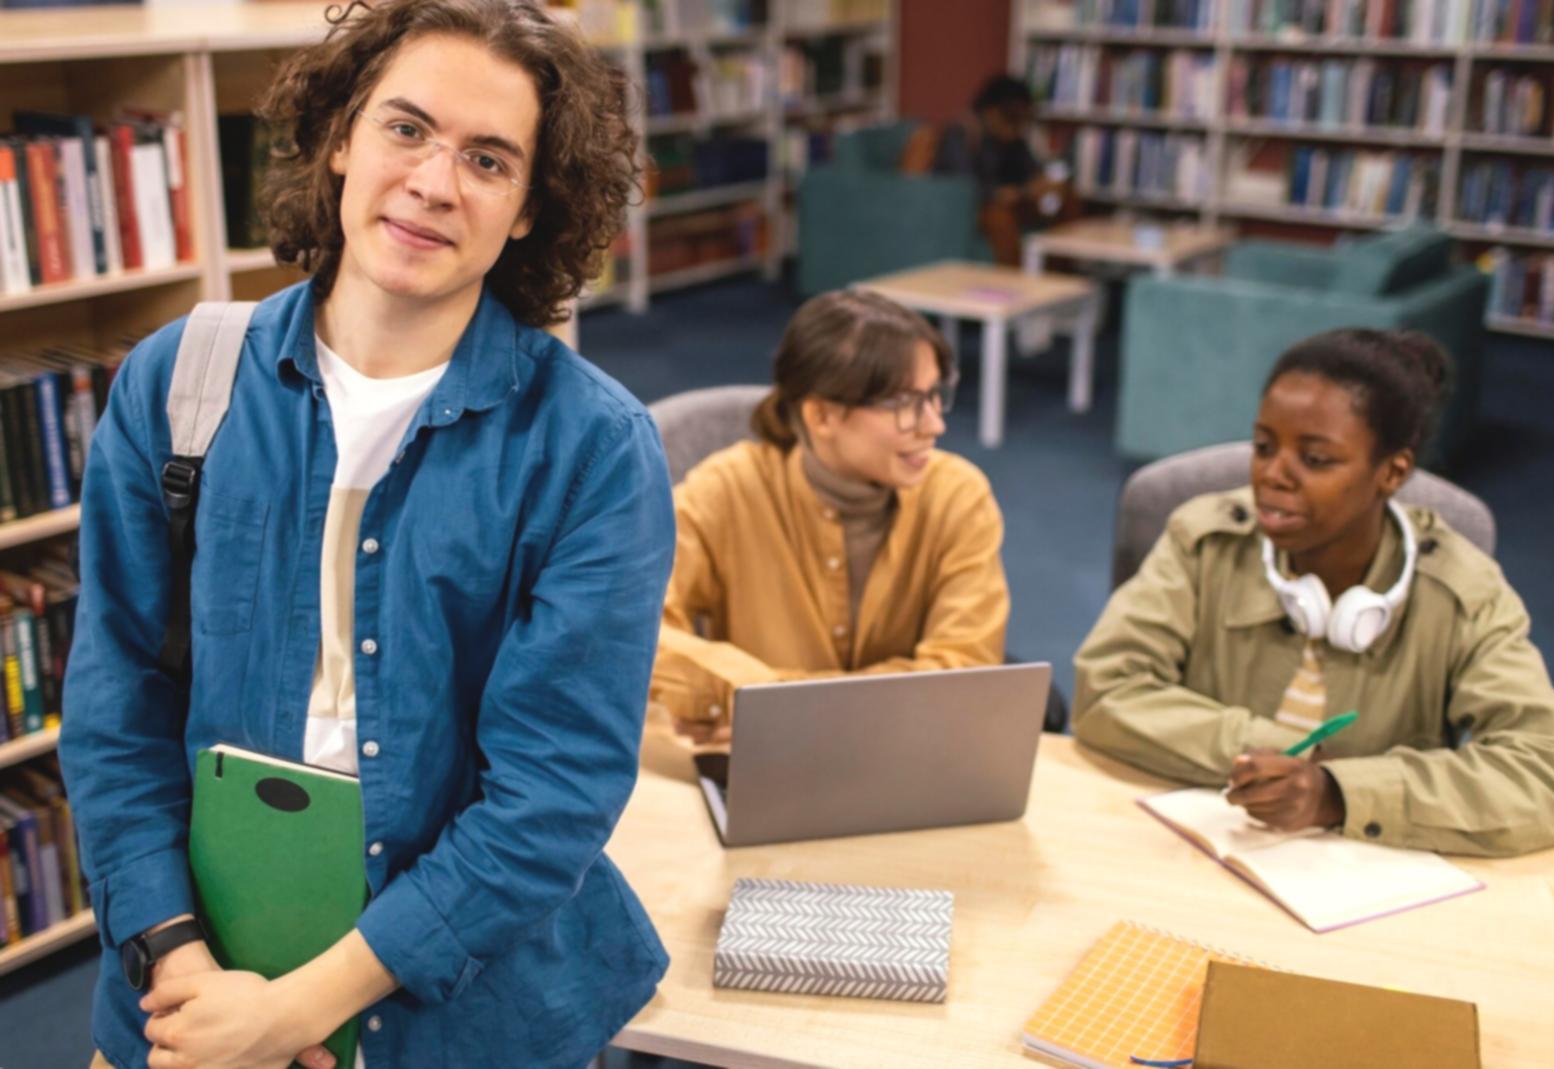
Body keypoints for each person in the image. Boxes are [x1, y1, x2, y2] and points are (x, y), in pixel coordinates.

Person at [58, 2, 676, 1067]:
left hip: (461, 1004)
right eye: (406, 129)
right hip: (190, 983)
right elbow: (117, 700)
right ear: (340, 137)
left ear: (528, 207)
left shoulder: (591, 448)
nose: (435, 183)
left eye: (488, 159)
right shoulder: (176, 383)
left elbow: (551, 792)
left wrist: (299, 1011)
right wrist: (175, 959)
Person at [1071, 328, 1554, 857]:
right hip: (1199, 844)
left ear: (1392, 472)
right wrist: (1268, 752)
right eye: (1263, 446)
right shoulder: (1204, 540)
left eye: (1316, 459)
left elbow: (1553, 770)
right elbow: (1106, 691)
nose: (1272, 475)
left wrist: (1339, 794)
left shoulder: (1462, 590)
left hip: (1367, 875)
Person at [651, 290, 1009, 744]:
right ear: (821, 415)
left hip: (907, 752)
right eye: (904, 403)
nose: (934, 424)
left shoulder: (959, 495)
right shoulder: (726, 489)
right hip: (768, 760)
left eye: (935, 395)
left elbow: (963, 670)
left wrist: (769, 697)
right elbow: (633, 627)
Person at [933, 74, 1078, 266]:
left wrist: (1044, 184)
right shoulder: (963, 134)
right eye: (1011, 118)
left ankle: (1061, 271)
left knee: (1066, 196)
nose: (1017, 127)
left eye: (1022, 120)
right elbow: (965, 188)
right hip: (976, 208)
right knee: (999, 217)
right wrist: (1011, 193)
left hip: (1014, 201)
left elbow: (1032, 172)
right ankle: (1012, 282)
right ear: (990, 111)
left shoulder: (1014, 139)